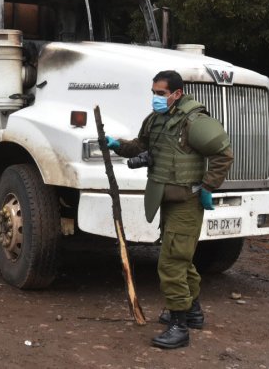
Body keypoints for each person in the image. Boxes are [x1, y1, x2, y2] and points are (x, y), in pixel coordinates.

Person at [107, 70, 233, 349]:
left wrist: (209, 187)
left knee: (171, 262)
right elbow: (142, 145)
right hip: (167, 199)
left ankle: (179, 326)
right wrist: (118, 145)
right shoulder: (156, 119)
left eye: (161, 93)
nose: (156, 98)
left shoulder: (194, 120)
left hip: (187, 202)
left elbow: (223, 153)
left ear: (177, 93)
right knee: (181, 258)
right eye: (153, 92)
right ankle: (193, 311)